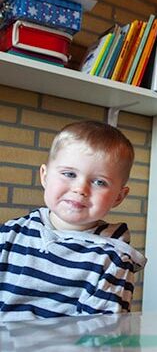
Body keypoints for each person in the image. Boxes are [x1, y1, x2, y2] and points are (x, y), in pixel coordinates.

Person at [0, 120, 146, 321]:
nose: (80, 189)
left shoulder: (112, 260)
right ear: (44, 176)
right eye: (69, 174)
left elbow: (101, 334)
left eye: (99, 182)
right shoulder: (10, 234)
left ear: (119, 197)